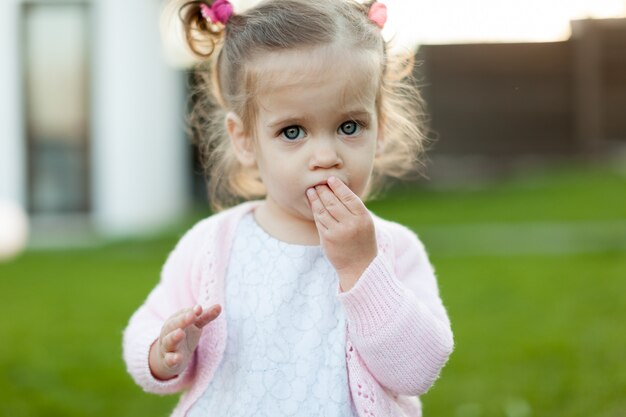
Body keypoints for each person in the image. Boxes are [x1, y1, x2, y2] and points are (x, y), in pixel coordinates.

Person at [123, 0, 454, 416]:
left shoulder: (393, 249)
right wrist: (165, 350)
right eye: (292, 131)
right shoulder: (213, 246)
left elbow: (416, 370)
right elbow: (146, 329)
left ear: (380, 126)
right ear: (244, 139)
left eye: (349, 126)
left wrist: (361, 270)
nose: (325, 155)